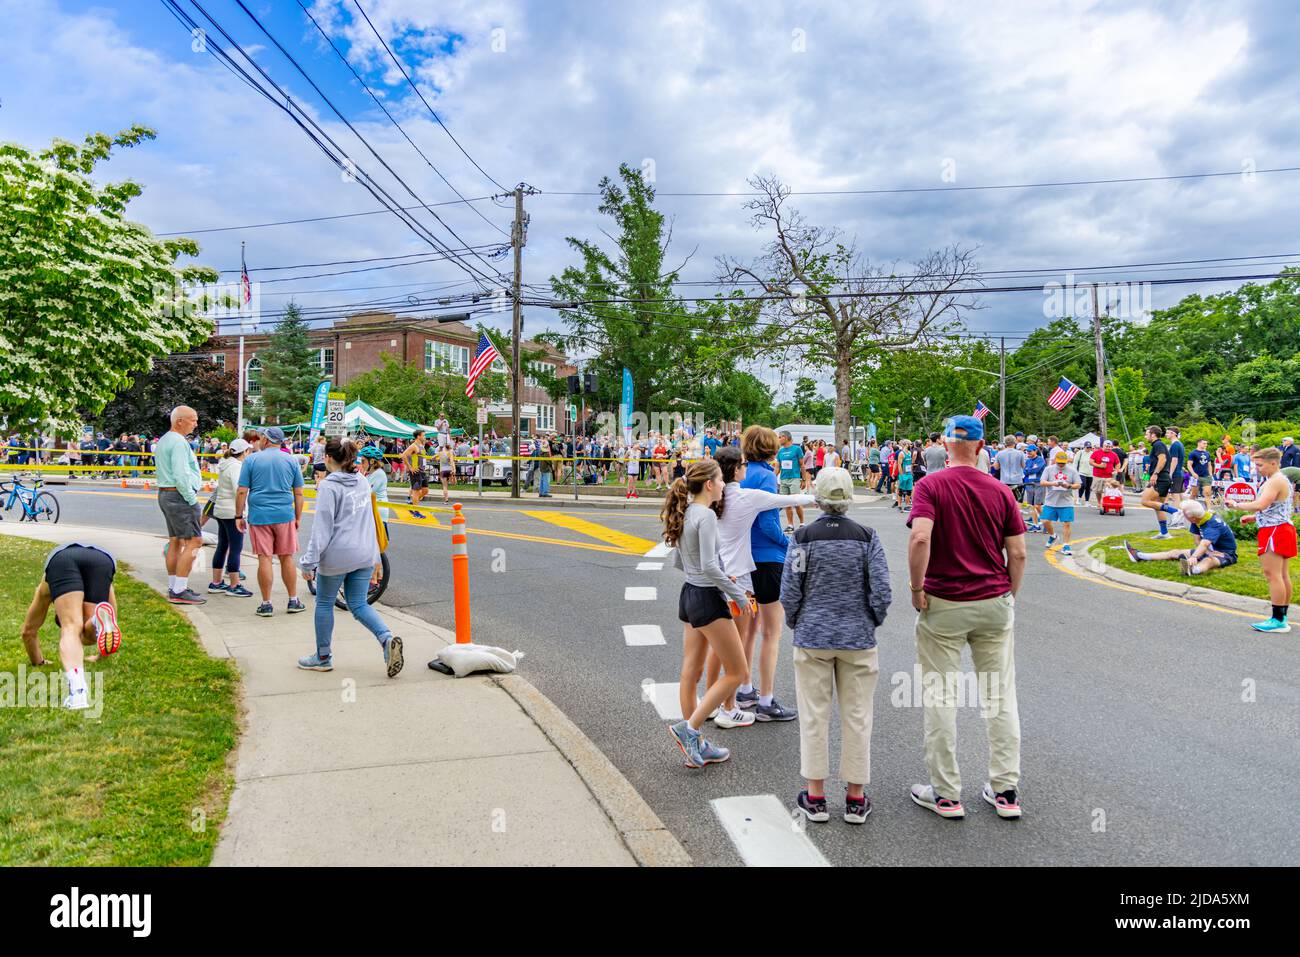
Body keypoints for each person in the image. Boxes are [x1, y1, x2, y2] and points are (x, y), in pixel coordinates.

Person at [906, 415, 1027, 821]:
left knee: (941, 696)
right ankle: (1005, 789)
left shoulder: (930, 485)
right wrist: (1010, 592)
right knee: (999, 696)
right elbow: (1020, 552)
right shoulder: (1000, 491)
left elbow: (921, 536)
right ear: (980, 446)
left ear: (944, 444)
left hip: (944, 600)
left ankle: (945, 793)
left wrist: (916, 587)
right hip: (993, 599)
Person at [781, 467, 892, 824]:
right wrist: (872, 618)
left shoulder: (801, 538)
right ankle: (856, 798)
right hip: (857, 637)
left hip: (813, 635)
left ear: (817, 497)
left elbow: (790, 589)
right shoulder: (867, 537)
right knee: (857, 716)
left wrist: (797, 619)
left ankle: (815, 795)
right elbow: (882, 589)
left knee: (814, 715)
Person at [663, 459, 753, 769]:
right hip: (707, 598)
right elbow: (710, 566)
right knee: (738, 673)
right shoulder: (706, 516)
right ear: (711, 485)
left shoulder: (686, 512)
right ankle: (689, 731)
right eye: (722, 481)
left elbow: (681, 563)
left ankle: (695, 744)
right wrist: (737, 595)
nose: (726, 485)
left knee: (691, 672)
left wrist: (709, 578)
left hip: (689, 595)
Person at [297, 438, 403, 676]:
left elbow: (321, 529)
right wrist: (375, 554)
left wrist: (309, 561)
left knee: (324, 603)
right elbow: (369, 521)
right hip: (364, 552)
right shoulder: (363, 482)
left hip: (337, 555)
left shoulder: (328, 487)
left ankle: (322, 657)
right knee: (358, 604)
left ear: (327, 458)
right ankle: (386, 639)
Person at [20, 543, 122, 709]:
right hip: (101, 557)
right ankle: (96, 619)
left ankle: (78, 693)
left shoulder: (45, 588)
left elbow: (28, 632)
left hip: (61, 560)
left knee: (71, 628)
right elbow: (111, 622)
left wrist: (38, 662)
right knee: (92, 626)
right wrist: (101, 656)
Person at [236, 426, 306, 618]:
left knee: (264, 558)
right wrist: (298, 517)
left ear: (266, 440)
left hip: (259, 516)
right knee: (286, 557)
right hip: (285, 514)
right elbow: (299, 493)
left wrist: (238, 515)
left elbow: (242, 490)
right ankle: (293, 600)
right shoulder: (291, 460)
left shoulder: (251, 460)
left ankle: (266, 603)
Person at [1234, 447, 1295, 633]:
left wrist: (1237, 505)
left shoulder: (1274, 481)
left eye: (1260, 465)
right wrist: (1254, 518)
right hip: (1283, 528)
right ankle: (1282, 616)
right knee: (1282, 575)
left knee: (1273, 575)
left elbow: (1261, 504)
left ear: (1273, 463)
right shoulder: (1281, 480)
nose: (1257, 469)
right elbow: (1278, 508)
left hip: (1274, 531)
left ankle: (1277, 620)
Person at [155, 405, 206, 605]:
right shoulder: (178, 443)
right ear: (180, 421)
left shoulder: (165, 440)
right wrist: (192, 499)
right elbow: (181, 474)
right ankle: (179, 589)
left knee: (175, 540)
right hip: (179, 496)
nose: (195, 423)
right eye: (192, 420)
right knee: (195, 541)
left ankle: (174, 584)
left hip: (166, 494)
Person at [1124, 499, 1237, 576]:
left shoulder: (1212, 525)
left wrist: (1195, 557)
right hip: (1209, 550)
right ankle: (1139, 556)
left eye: (1185, 514)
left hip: (1226, 554)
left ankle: (1193, 570)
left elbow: (1204, 543)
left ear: (1192, 517)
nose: (1183, 516)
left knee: (1209, 561)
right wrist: (1205, 552)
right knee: (1174, 552)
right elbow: (1197, 540)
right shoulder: (1198, 519)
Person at [209, 439, 254, 597]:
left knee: (222, 545)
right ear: (244, 452)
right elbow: (239, 490)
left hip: (221, 509)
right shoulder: (237, 467)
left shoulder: (225, 464)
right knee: (236, 548)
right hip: (232, 512)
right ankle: (234, 585)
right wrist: (240, 515)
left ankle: (216, 582)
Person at [1139, 425, 1181, 538]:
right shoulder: (1157, 445)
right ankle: (1164, 533)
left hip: (1160, 478)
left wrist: (1155, 474)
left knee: (1145, 500)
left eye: (1147, 434)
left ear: (1153, 435)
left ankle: (1175, 511)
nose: (1145, 436)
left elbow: (1163, 460)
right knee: (1158, 506)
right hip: (1163, 478)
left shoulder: (1158, 444)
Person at [1040, 449, 1080, 556]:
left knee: (1066, 523)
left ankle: (1066, 545)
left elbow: (1078, 484)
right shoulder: (1049, 469)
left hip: (1066, 501)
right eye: (1059, 463)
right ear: (1055, 461)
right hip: (1051, 500)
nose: (1061, 465)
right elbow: (1042, 482)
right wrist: (1053, 483)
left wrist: (1069, 486)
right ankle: (1053, 535)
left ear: (1066, 461)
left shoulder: (1072, 471)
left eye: (1063, 463)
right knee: (1045, 521)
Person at [775, 431, 808, 532]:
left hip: (794, 478)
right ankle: (790, 525)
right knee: (786, 503)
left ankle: (802, 523)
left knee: (796, 501)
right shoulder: (780, 451)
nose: (779, 439)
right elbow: (777, 468)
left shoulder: (797, 449)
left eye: (780, 437)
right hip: (784, 479)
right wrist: (772, 478)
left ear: (786, 438)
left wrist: (803, 479)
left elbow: (802, 465)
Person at [359, 445, 391, 535]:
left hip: (378, 514)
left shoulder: (378, 474)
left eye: (363, 461)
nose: (361, 464)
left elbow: (365, 493)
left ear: (372, 461)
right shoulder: (369, 474)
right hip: (371, 512)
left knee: (377, 546)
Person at [402, 429, 430, 519]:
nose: (425, 437)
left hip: (422, 471)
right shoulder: (413, 446)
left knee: (425, 490)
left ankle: (412, 504)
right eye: (424, 435)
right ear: (418, 436)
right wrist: (410, 467)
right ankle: (416, 512)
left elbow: (422, 457)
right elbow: (404, 455)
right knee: (416, 491)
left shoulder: (422, 445)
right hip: (415, 472)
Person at [1021, 444, 1046, 532]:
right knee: (1032, 506)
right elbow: (1025, 471)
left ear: (1035, 451)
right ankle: (1036, 525)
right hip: (1029, 484)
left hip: (1038, 483)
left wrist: (1029, 470)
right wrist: (1029, 469)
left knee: (1038, 505)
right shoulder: (1028, 461)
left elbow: (1036, 470)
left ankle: (1046, 524)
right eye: (1027, 451)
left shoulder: (1040, 460)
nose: (1028, 453)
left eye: (1030, 451)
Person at [1089, 440, 1121, 508]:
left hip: (1109, 476)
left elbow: (1118, 463)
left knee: (1109, 490)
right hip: (1098, 475)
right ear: (1103, 446)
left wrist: (1116, 470)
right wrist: (1099, 465)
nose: (1108, 448)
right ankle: (1099, 502)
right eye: (1106, 446)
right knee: (1098, 490)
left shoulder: (1114, 454)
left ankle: (1106, 503)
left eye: (1110, 447)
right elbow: (1091, 462)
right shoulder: (1096, 453)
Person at [995, 435, 1026, 503]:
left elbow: (996, 467)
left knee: (1005, 501)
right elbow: (1024, 466)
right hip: (1017, 480)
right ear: (1014, 442)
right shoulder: (1020, 453)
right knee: (1017, 502)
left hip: (1004, 480)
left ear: (1005, 443)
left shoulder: (999, 453)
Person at [1187, 438, 1214, 508]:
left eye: (1206, 443)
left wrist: (1210, 474)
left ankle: (1209, 510)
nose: (1206, 445)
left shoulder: (1207, 453)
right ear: (1199, 443)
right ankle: (1187, 508)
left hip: (1206, 476)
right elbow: (1189, 464)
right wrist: (1193, 473)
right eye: (1204, 443)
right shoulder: (1193, 453)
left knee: (1208, 493)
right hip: (1196, 476)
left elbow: (1209, 464)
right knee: (1194, 494)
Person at [1166, 427, 1187, 506]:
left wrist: (1170, 474)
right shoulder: (1179, 444)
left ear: (1173, 434)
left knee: (1175, 495)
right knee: (1180, 495)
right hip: (1179, 472)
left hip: (1175, 473)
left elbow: (1174, 460)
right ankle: (1185, 512)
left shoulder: (1175, 445)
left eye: (1168, 433)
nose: (1166, 434)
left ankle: (1177, 513)